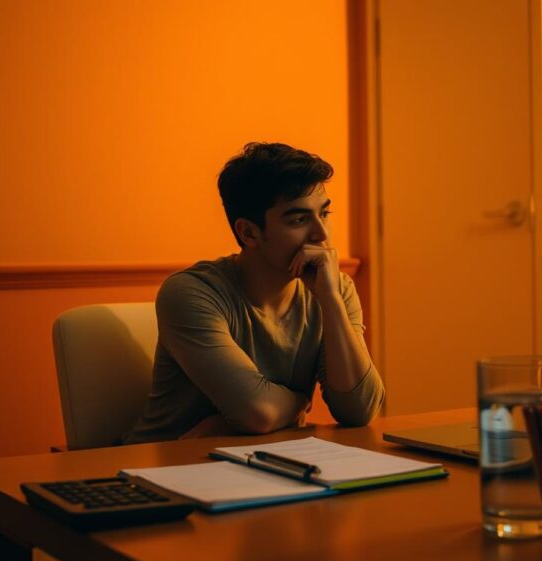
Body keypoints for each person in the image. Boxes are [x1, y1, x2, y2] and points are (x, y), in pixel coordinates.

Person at [123, 142, 385, 443]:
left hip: (260, 463)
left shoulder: (334, 289)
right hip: (161, 466)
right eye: (299, 220)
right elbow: (258, 413)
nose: (321, 235)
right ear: (249, 232)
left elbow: (360, 409)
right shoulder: (191, 292)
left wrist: (330, 300)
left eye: (324, 214)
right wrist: (301, 401)